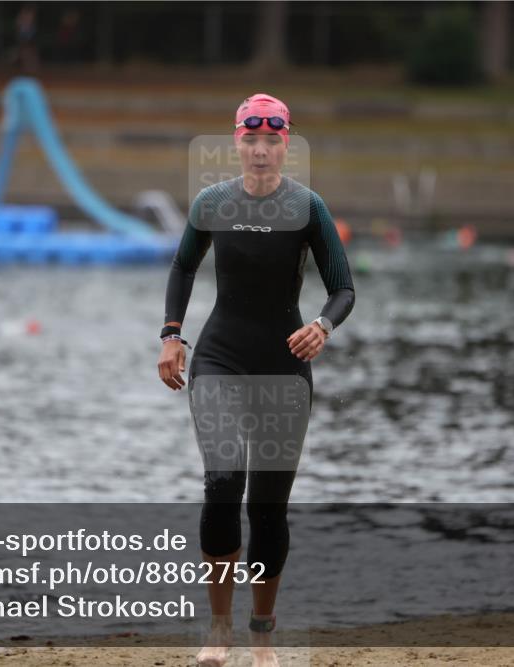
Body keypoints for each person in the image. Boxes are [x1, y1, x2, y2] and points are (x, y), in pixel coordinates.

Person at [157, 93, 355, 667]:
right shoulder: (213, 202)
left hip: (285, 363)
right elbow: (182, 266)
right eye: (251, 140)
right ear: (236, 142)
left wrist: (323, 325)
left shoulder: (308, 207)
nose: (262, 151)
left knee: (269, 507)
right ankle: (219, 632)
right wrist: (172, 333)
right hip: (218, 358)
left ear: (285, 143)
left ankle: (262, 636)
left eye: (272, 141)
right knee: (223, 481)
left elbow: (343, 287)